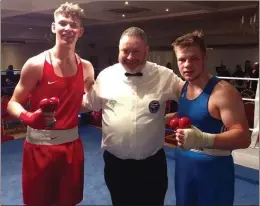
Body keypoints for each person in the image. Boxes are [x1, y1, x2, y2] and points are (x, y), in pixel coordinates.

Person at [83, 27, 184, 205]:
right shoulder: (106, 76)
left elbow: (191, 97)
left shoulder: (164, 76)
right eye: (125, 51)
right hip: (116, 164)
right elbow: (89, 104)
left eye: (136, 51)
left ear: (147, 50)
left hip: (152, 163)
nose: (130, 57)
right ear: (118, 50)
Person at [7, 2, 94, 205]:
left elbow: (87, 102)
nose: (67, 29)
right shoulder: (35, 64)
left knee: (68, 202)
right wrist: (28, 116)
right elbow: (13, 103)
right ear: (54, 27)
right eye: (62, 23)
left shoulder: (87, 68)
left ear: (80, 31)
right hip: (39, 147)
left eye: (73, 25)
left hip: (71, 146)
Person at [170, 30, 251, 206]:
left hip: (213, 170)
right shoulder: (183, 87)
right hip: (184, 166)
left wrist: (203, 139)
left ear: (204, 57)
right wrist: (158, 118)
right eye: (182, 60)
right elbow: (195, 115)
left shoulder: (223, 92)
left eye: (193, 58)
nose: (187, 65)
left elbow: (244, 137)